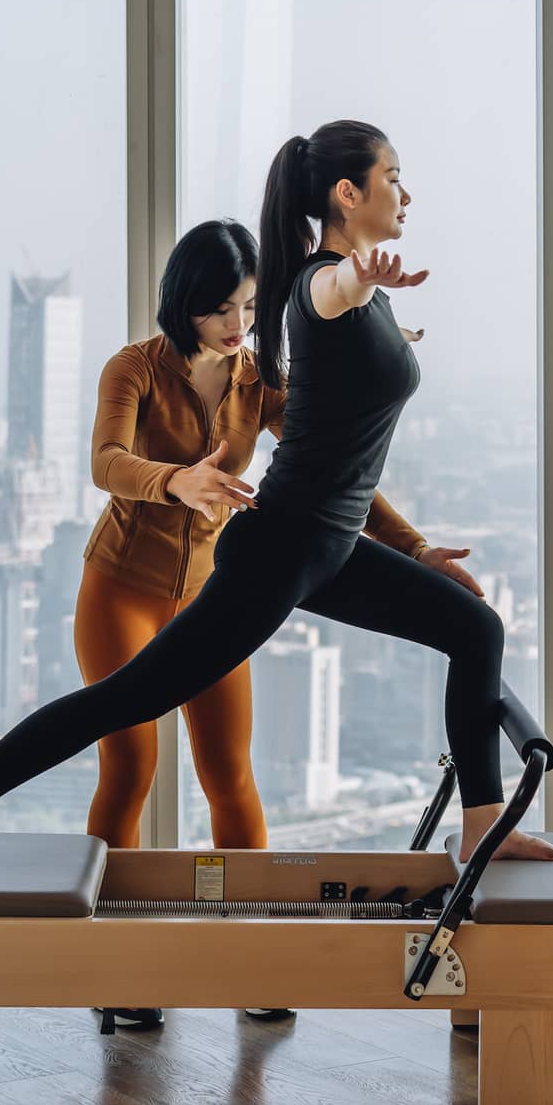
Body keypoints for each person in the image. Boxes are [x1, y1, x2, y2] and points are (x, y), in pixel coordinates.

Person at [0, 118, 553, 877]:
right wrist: (361, 276)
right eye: (392, 174)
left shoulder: (316, 327)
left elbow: (345, 456)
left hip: (327, 548)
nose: (405, 189)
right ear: (347, 191)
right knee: (127, 704)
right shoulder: (320, 286)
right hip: (280, 549)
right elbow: (324, 290)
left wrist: (418, 549)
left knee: (476, 631)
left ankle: (481, 828)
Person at [78, 218, 434, 854]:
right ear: (182, 303)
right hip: (121, 590)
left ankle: (246, 924)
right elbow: (105, 460)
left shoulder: (259, 380)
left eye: (248, 305)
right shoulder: (133, 369)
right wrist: (175, 481)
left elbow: (334, 471)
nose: (238, 322)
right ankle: (106, 928)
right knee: (130, 769)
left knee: (230, 775)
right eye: (220, 308)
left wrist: (414, 547)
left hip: (213, 596)